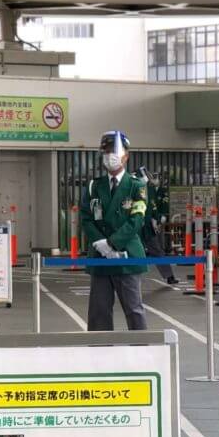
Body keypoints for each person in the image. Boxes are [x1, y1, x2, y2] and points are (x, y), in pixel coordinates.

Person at [83, 130, 148, 331]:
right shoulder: (94, 186)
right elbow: (86, 218)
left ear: (125, 156)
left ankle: (141, 354)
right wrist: (100, 244)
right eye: (106, 151)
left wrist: (112, 243)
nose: (110, 156)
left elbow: (137, 219)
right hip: (100, 255)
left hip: (127, 255)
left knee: (134, 309)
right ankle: (99, 355)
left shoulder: (136, 186)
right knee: (98, 312)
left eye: (114, 151)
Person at [139, 168, 178, 286]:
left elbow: (153, 205)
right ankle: (117, 278)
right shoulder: (135, 186)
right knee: (126, 252)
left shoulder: (149, 189)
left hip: (147, 225)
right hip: (134, 226)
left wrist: (156, 218)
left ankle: (169, 276)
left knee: (157, 250)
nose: (151, 178)